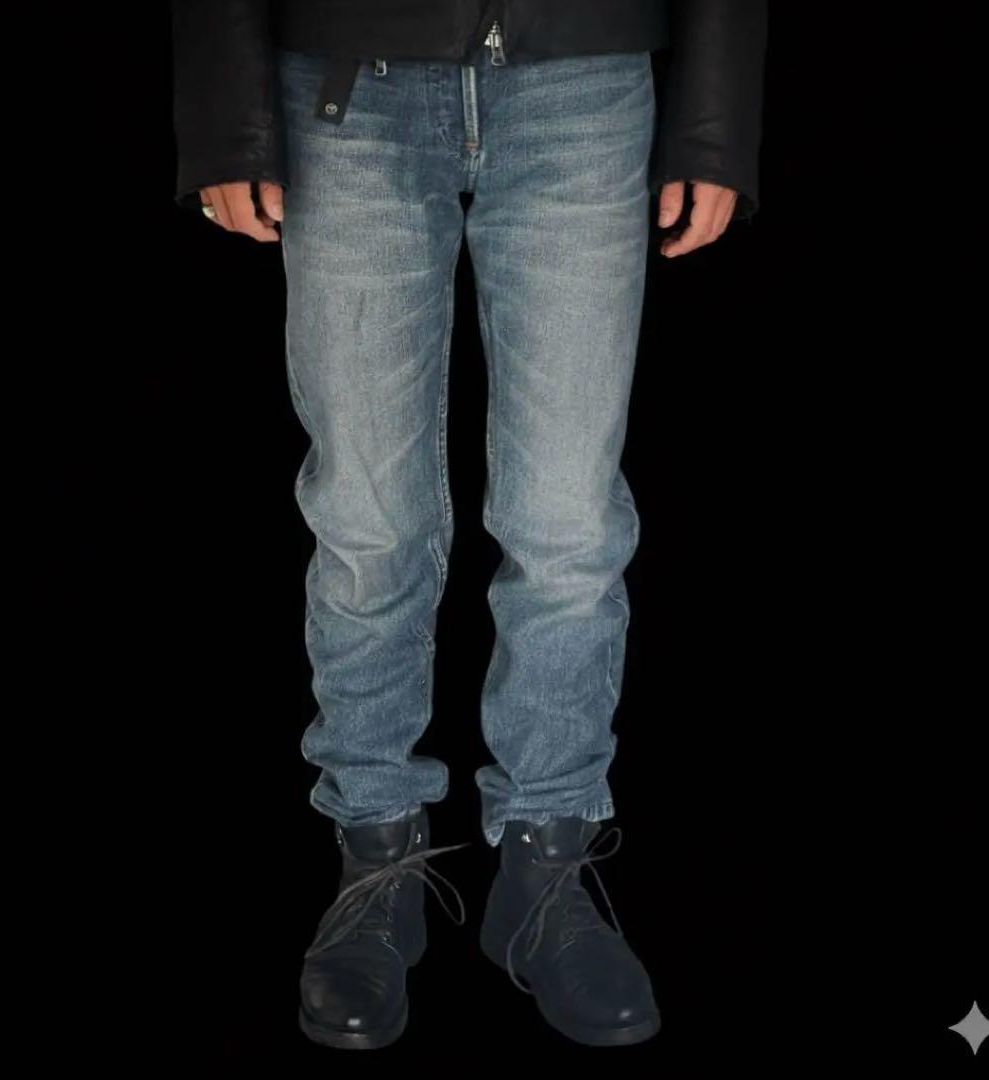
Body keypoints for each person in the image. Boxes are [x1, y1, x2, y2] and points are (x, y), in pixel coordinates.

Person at [170, 0, 768, 1051]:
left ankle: (545, 872)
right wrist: (227, 116)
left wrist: (714, 121)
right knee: (368, 521)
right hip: (351, 80)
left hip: (582, 79)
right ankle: (376, 858)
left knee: (568, 524)